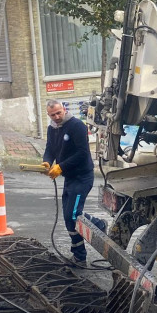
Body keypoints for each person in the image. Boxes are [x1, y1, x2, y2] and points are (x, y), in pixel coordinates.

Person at [41, 99, 95, 264]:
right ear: (49, 115)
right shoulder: (52, 129)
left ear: (64, 109)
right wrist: (47, 161)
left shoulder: (77, 126)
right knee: (68, 216)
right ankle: (79, 254)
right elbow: (50, 148)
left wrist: (61, 166)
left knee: (72, 215)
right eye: (53, 115)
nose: (56, 117)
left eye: (58, 113)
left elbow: (82, 153)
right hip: (70, 178)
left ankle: (82, 252)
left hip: (82, 176)